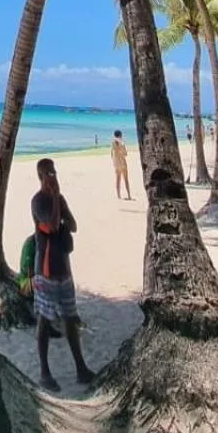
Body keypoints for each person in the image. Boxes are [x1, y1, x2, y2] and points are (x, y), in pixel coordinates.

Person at [31, 158, 94, 392]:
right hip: (46, 269)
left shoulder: (60, 199)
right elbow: (53, 225)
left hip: (63, 267)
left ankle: (80, 368)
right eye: (48, 173)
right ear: (41, 176)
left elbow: (73, 225)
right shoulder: (38, 201)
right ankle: (45, 372)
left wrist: (62, 202)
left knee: (70, 317)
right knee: (44, 320)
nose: (53, 176)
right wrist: (56, 201)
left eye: (54, 172)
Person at [109, 129, 132, 201]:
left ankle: (119, 196)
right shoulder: (122, 142)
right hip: (123, 162)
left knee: (118, 179)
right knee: (126, 179)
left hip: (116, 163)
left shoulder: (113, 142)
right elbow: (125, 153)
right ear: (120, 135)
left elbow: (111, 154)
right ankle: (129, 195)